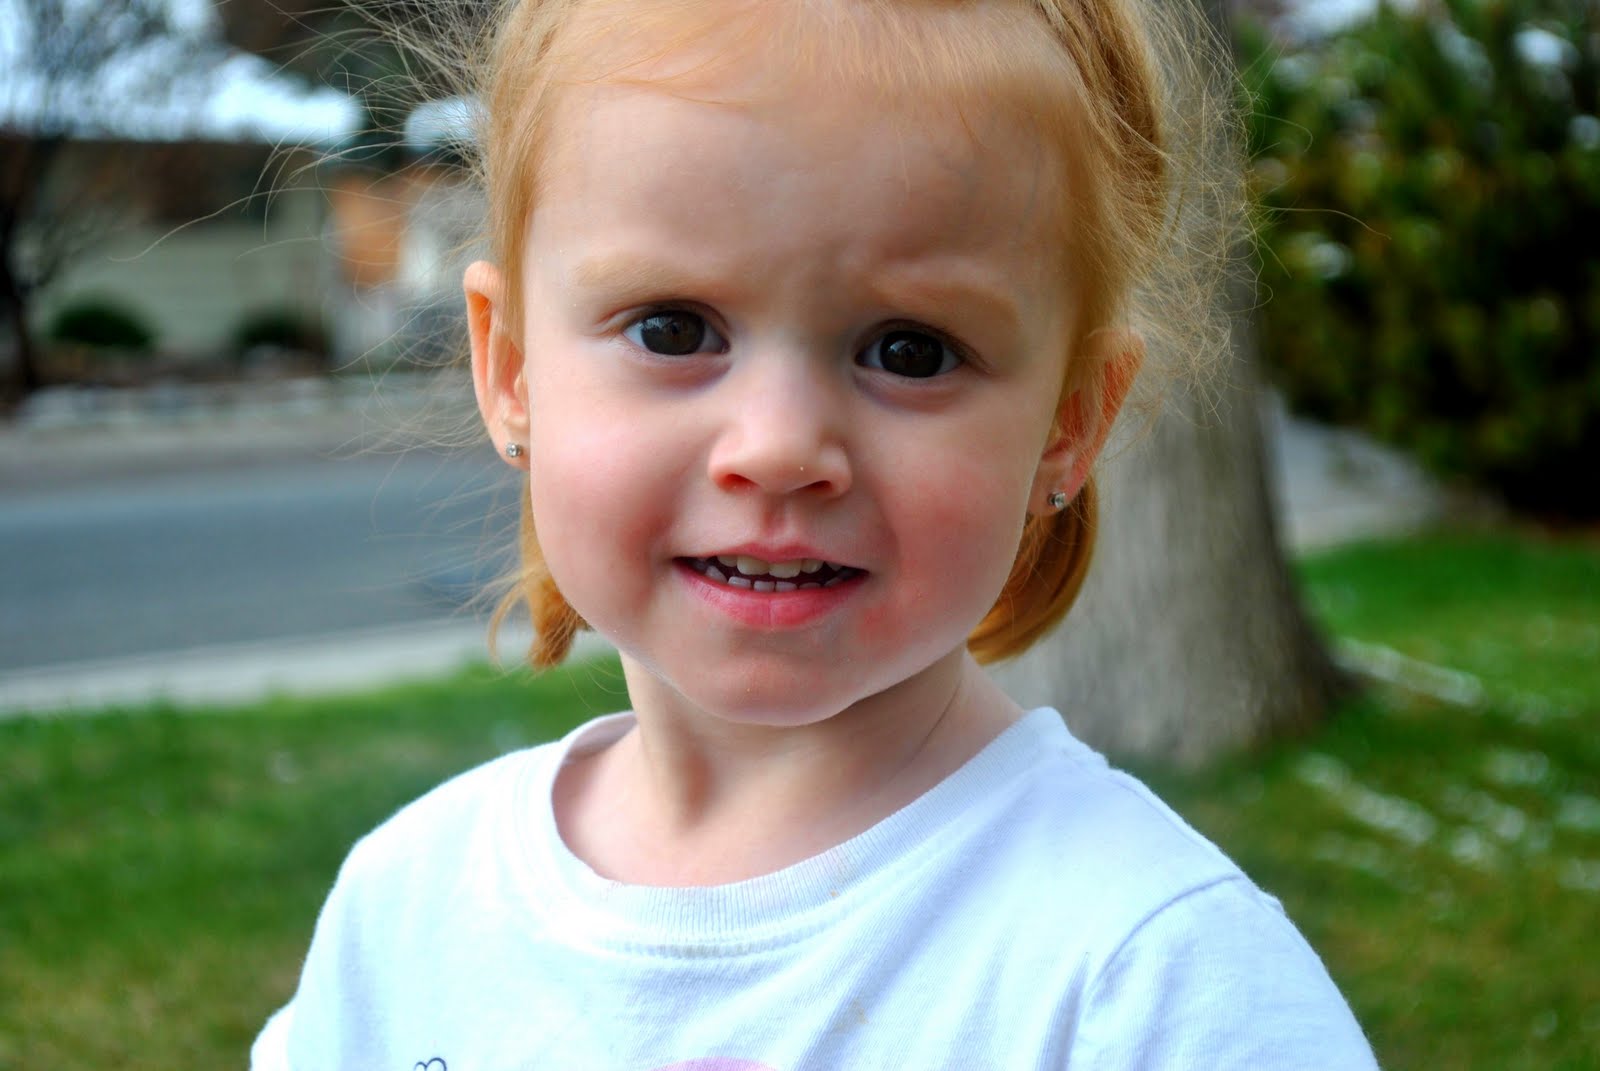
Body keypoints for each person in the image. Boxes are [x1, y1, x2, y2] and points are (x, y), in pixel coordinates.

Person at [255, 0, 1380, 1067]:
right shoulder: (407, 912)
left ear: (1068, 423)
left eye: (909, 351)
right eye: (673, 329)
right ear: (510, 367)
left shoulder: (1152, 983)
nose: (781, 446)